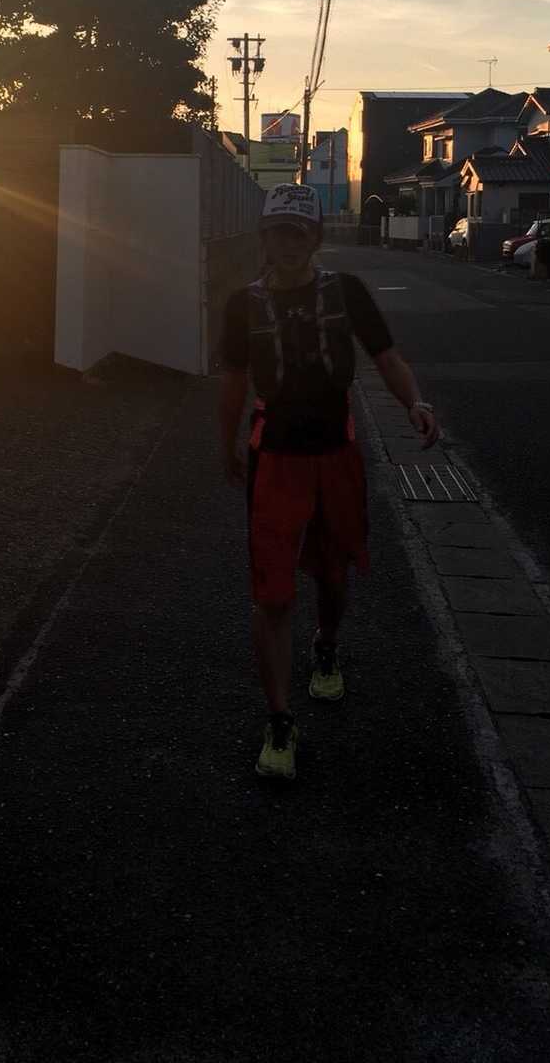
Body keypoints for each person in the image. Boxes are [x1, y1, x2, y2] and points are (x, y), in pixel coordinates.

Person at [219, 183, 439, 780]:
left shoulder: (346, 292)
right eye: (278, 233)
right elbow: (234, 377)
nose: (288, 244)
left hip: (335, 455)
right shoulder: (243, 304)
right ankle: (280, 720)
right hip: (274, 459)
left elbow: (385, 355)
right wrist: (226, 443)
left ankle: (326, 643)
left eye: (299, 233)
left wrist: (415, 403)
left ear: (315, 237)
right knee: (272, 594)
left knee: (333, 574)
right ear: (264, 239)